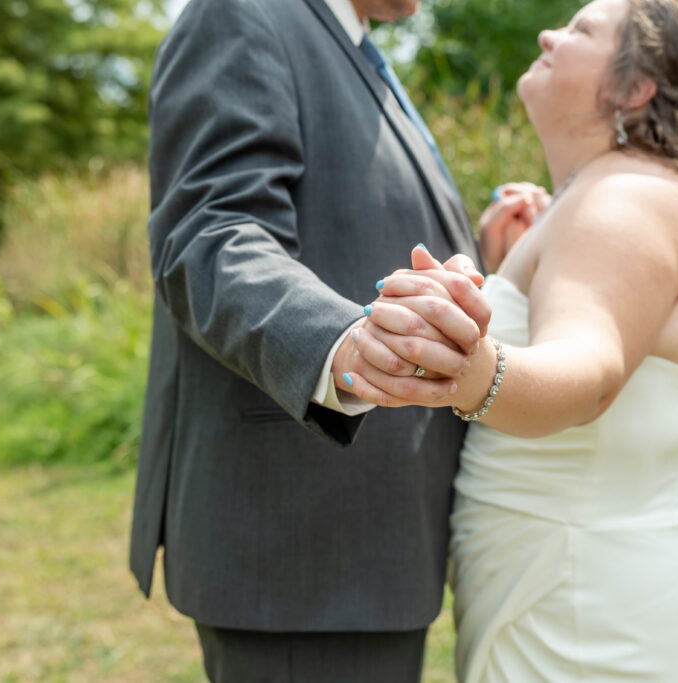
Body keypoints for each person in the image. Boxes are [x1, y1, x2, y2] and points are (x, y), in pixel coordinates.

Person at [346, 0, 678, 680]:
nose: (549, 33)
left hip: (585, 613)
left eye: (580, 30)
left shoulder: (622, 201)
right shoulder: (610, 196)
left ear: (633, 91)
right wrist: (506, 270)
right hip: (579, 588)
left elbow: (591, 371)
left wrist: (470, 365)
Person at [128, 0, 499, 680]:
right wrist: (341, 344)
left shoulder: (355, 50)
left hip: (365, 546)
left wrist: (483, 249)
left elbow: (360, 228)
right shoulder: (241, 14)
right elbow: (212, 234)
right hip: (303, 554)